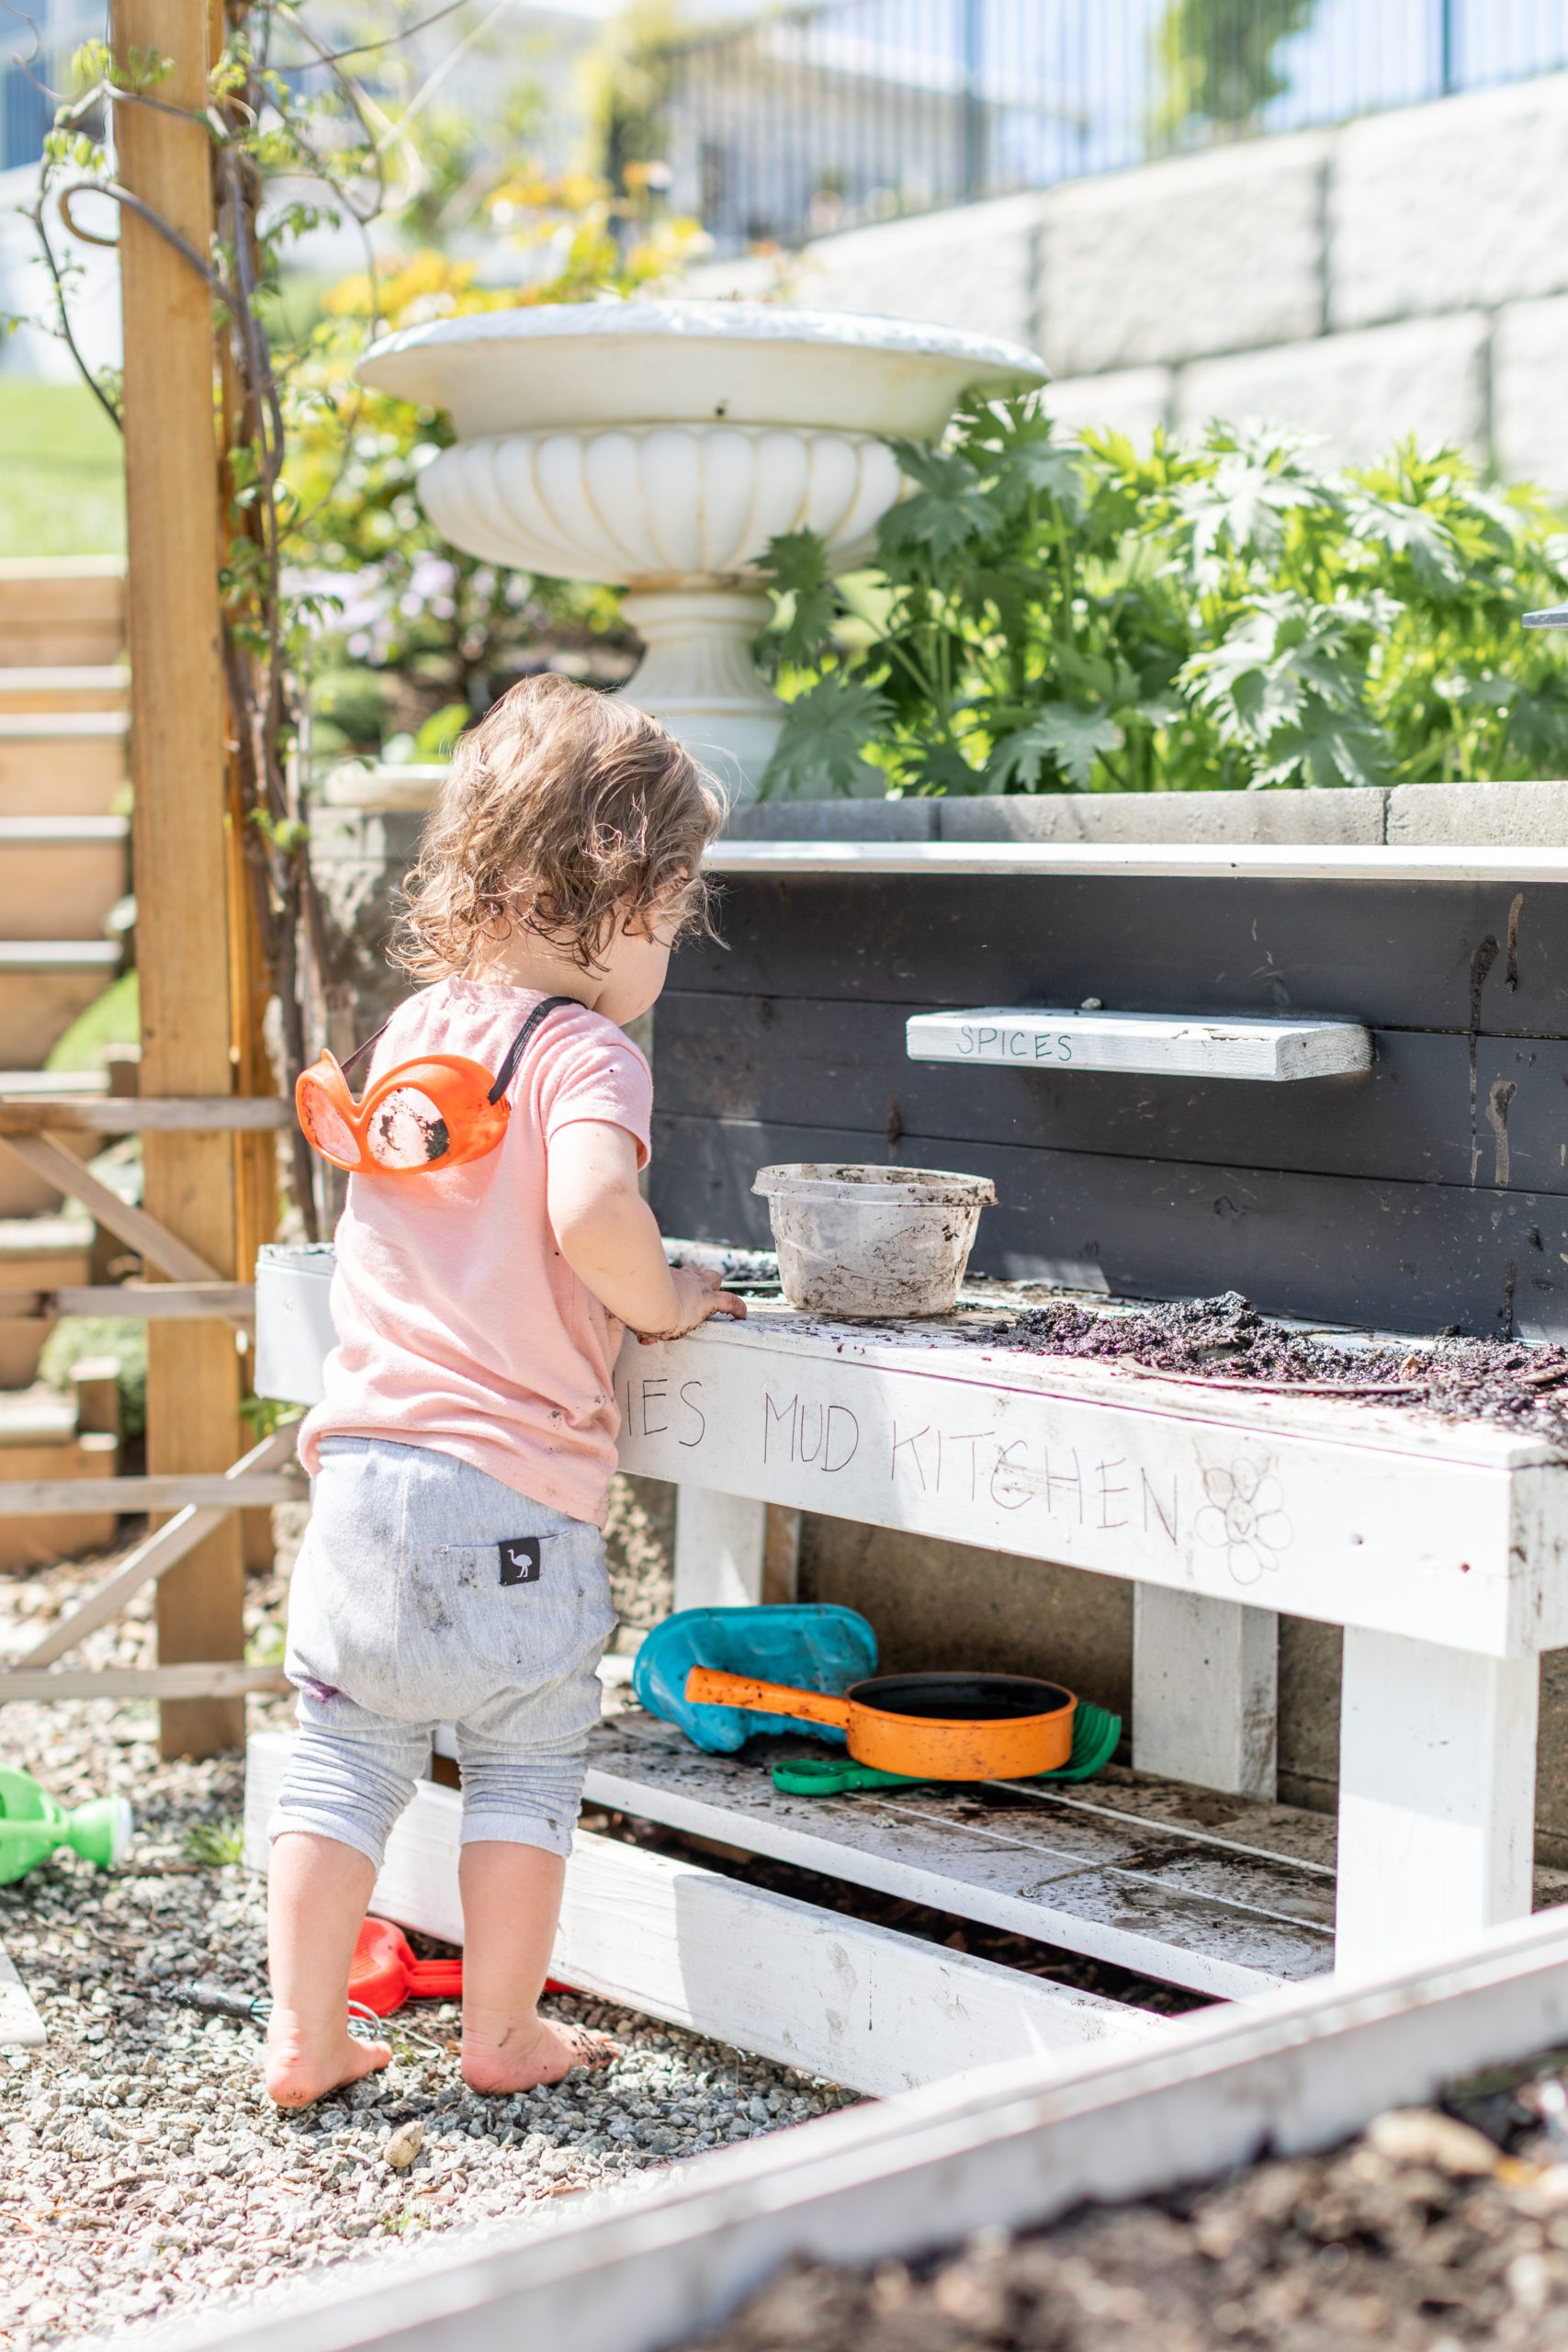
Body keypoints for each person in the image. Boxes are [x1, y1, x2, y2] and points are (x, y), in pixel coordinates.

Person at [264, 675, 746, 2108]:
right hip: (512, 1498)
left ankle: (305, 2035)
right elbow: (593, 1210)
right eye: (672, 920)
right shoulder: (588, 1052)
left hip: (360, 1480)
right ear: (630, 897)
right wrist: (663, 1299)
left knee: (341, 1765)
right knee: (527, 1769)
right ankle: (500, 2033)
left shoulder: (419, 1032)